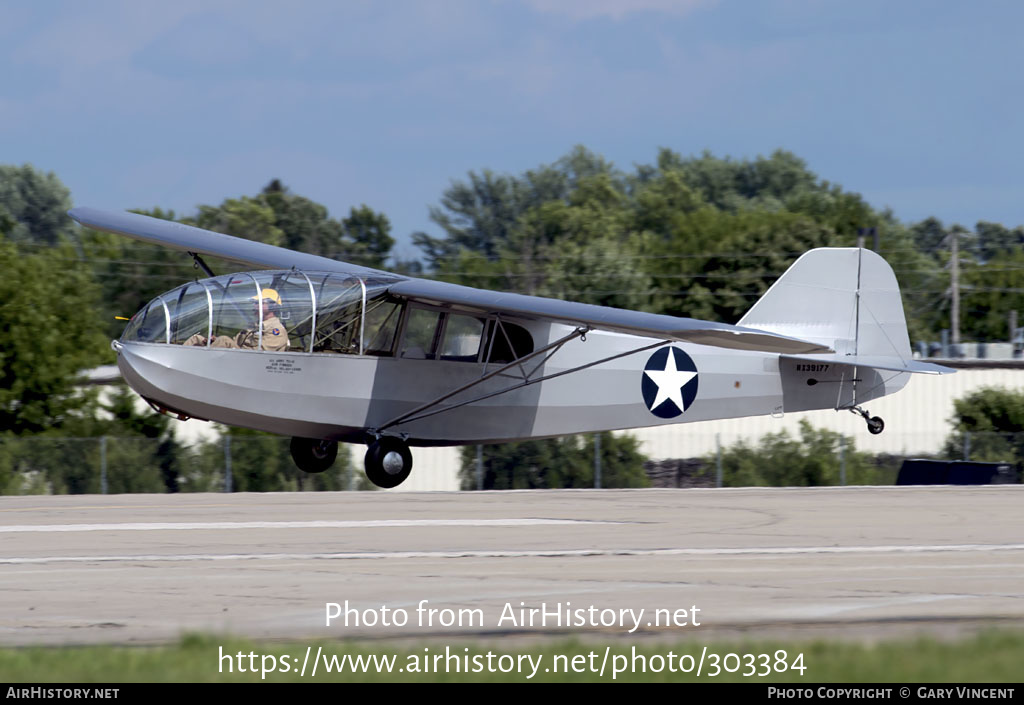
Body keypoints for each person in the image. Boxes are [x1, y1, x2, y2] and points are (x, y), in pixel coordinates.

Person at [185, 288, 290, 351]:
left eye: (260, 303)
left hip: (249, 365)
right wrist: (214, 341)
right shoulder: (253, 325)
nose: (255, 306)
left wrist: (223, 343)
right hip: (238, 358)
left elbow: (261, 355)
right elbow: (236, 342)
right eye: (255, 303)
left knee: (224, 340)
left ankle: (199, 365)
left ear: (273, 306)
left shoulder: (276, 330)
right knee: (197, 339)